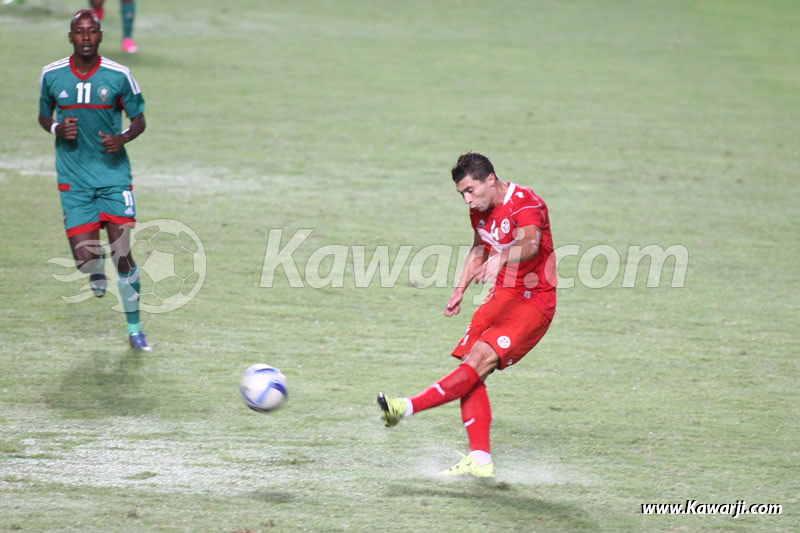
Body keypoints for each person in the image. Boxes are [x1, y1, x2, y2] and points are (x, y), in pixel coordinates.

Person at [377, 152, 557, 478]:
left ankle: (405, 407)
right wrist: (460, 288)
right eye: (462, 194)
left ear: (491, 179)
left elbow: (531, 244)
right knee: (470, 370)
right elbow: (479, 247)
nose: (467, 200)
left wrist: (501, 259)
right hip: (501, 297)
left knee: (477, 363)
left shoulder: (526, 201)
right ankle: (480, 459)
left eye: (471, 190)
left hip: (533, 302)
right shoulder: (480, 211)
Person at [38, 9, 151, 351]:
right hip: (75, 182)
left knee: (123, 254)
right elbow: (44, 115)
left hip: (114, 178)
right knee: (85, 261)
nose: (85, 37)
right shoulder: (52, 75)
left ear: (100, 36)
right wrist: (58, 128)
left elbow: (139, 119)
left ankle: (135, 329)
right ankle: (94, 266)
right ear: (70, 37)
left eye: (92, 31)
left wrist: (123, 138)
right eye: (79, 32)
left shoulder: (118, 76)